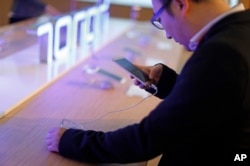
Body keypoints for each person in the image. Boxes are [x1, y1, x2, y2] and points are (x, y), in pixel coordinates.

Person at [46, 0, 250, 165]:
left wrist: (73, 142)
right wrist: (169, 82)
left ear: (181, 4)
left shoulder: (222, 53)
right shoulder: (241, 30)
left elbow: (151, 138)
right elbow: (215, 102)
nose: (168, 34)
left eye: (160, 19)